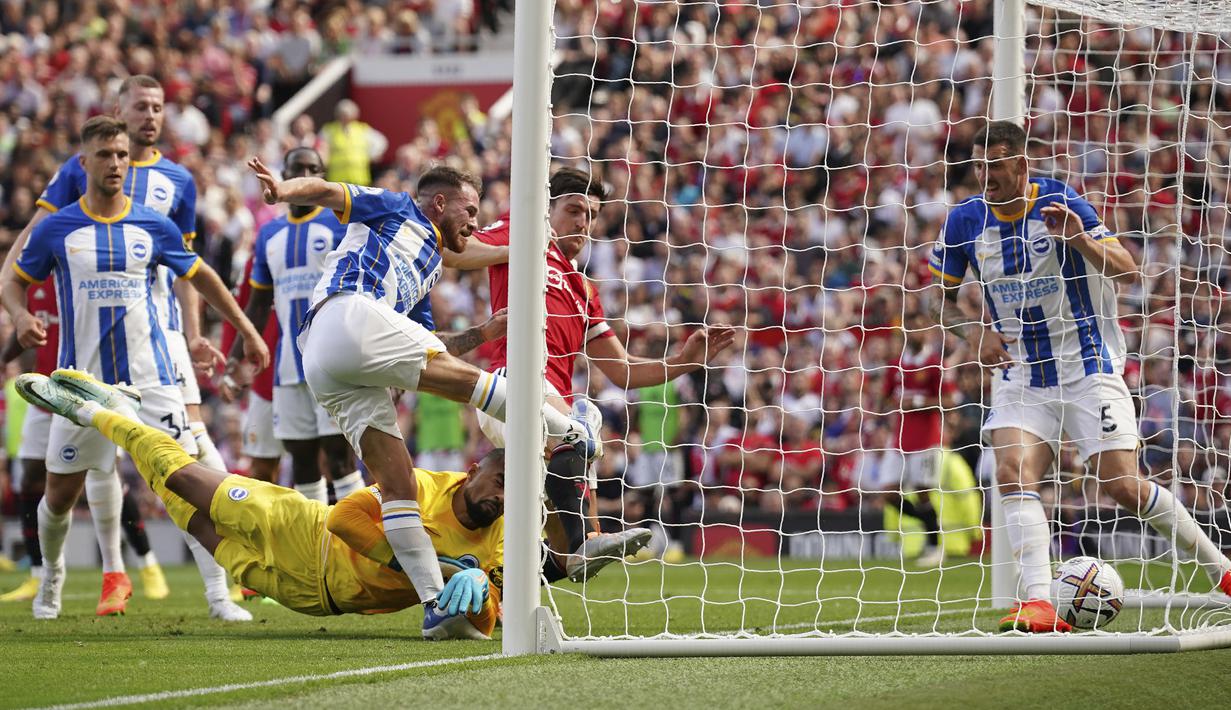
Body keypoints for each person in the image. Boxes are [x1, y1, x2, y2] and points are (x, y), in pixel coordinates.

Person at [243, 156, 602, 637]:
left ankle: (435, 605)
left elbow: (432, 345)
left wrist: (483, 332)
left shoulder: (427, 271)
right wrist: (283, 190)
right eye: (469, 210)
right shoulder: (397, 208)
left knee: (398, 484)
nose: (474, 222)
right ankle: (569, 431)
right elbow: (329, 192)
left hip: (326, 360)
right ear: (439, 203)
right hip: (347, 314)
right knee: (470, 383)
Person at [15, 369, 641, 633]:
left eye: (513, 493)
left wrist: (480, 602)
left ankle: (122, 419)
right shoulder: (424, 485)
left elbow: (485, 617)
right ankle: (104, 414)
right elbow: (345, 516)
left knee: (189, 519)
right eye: (500, 482)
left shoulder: (503, 539)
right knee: (184, 483)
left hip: (312, 598)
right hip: (301, 528)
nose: (501, 499)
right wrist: (437, 566)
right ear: (476, 468)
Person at [929, 119, 1231, 633]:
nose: (986, 176)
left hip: (1087, 367)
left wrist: (1079, 238)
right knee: (1011, 471)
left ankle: (1220, 569)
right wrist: (973, 332)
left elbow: (1127, 269)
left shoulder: (1059, 201)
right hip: (1023, 374)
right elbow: (941, 299)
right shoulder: (964, 221)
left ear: (1021, 164)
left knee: (1123, 485)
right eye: (979, 166)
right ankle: (1039, 602)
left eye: (995, 165)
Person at [0, 116, 270, 621]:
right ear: (84, 162)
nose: (116, 163)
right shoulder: (57, 228)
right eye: (105, 154)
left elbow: (202, 276)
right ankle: (51, 578)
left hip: (152, 379)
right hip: (80, 386)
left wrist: (247, 332)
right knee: (58, 497)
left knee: (187, 484)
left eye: (122, 155)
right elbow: (12, 281)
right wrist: (18, 316)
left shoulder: (153, 224)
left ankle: (219, 595)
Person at [467, 168, 735, 577]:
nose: (583, 222)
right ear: (547, 211)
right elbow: (460, 251)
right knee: (579, 429)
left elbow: (622, 370)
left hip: (549, 399)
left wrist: (685, 361)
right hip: (511, 382)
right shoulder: (520, 233)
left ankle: (497, 584)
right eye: (574, 210)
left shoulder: (583, 289)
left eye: (591, 215)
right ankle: (586, 541)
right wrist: (517, 245)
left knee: (557, 552)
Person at [230, 147, 364, 504]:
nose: (305, 176)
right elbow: (259, 303)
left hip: (333, 362)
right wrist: (234, 356)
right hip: (287, 367)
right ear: (284, 177)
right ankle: (316, 537)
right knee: (302, 461)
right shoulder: (268, 234)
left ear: (323, 177)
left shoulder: (339, 225)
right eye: (297, 169)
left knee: (339, 458)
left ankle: (361, 534)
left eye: (312, 169)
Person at [878, 309, 956, 567]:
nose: (914, 332)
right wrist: (887, 403)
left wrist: (919, 401)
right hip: (899, 438)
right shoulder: (896, 365)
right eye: (910, 327)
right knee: (888, 493)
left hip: (926, 440)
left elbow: (949, 400)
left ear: (927, 332)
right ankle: (929, 526)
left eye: (919, 327)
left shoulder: (934, 364)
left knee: (923, 493)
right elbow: (883, 398)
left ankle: (935, 546)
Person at [320, 100, 387, 187]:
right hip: (337, 179)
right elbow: (321, 148)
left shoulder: (362, 129)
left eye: (348, 114)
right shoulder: (329, 130)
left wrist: (372, 156)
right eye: (342, 114)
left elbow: (381, 142)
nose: (345, 117)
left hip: (359, 178)